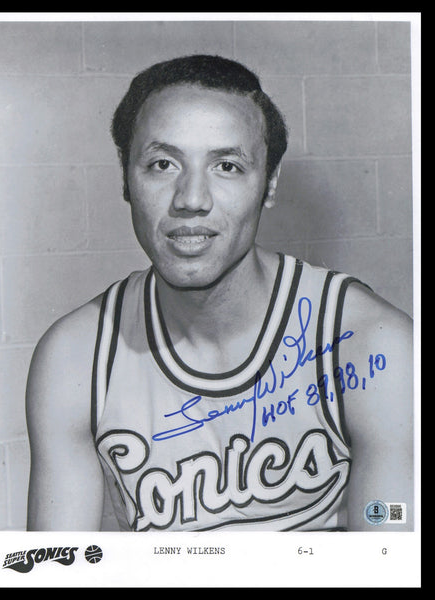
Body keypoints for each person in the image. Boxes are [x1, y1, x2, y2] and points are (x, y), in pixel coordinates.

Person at [26, 54, 413, 532]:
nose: (191, 199)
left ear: (269, 183)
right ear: (126, 177)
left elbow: (390, 550)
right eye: (163, 164)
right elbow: (56, 566)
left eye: (226, 166)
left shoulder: (372, 344)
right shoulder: (75, 357)